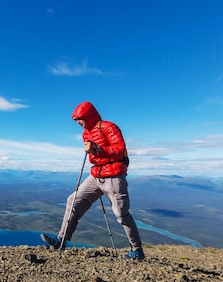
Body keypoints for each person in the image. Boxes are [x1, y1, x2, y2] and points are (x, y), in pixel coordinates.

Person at [41, 101, 145, 260]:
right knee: (73, 200)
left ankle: (137, 251)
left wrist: (96, 148)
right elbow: (94, 156)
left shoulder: (109, 127)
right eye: (75, 120)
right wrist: (94, 150)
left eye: (79, 119)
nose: (77, 123)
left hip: (114, 176)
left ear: (88, 115)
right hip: (96, 176)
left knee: (121, 215)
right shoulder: (86, 134)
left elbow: (119, 149)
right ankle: (61, 241)